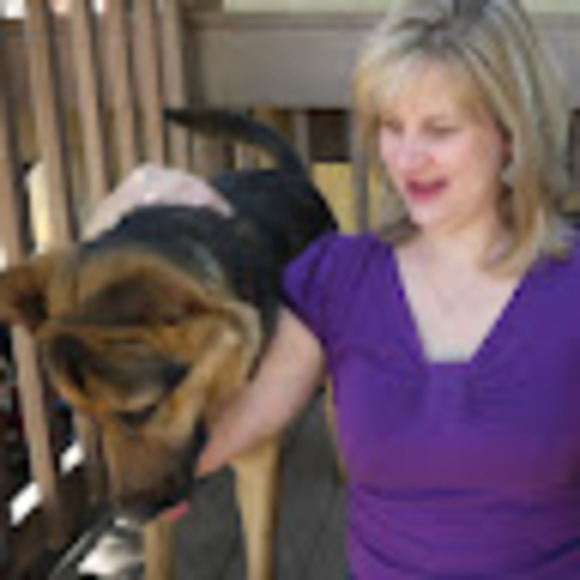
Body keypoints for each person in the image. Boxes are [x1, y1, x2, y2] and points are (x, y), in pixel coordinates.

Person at [86, 1, 579, 577]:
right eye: (391, 126)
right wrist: (107, 245)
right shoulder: (339, 282)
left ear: (511, 134)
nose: (406, 158)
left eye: (440, 130)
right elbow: (206, 447)